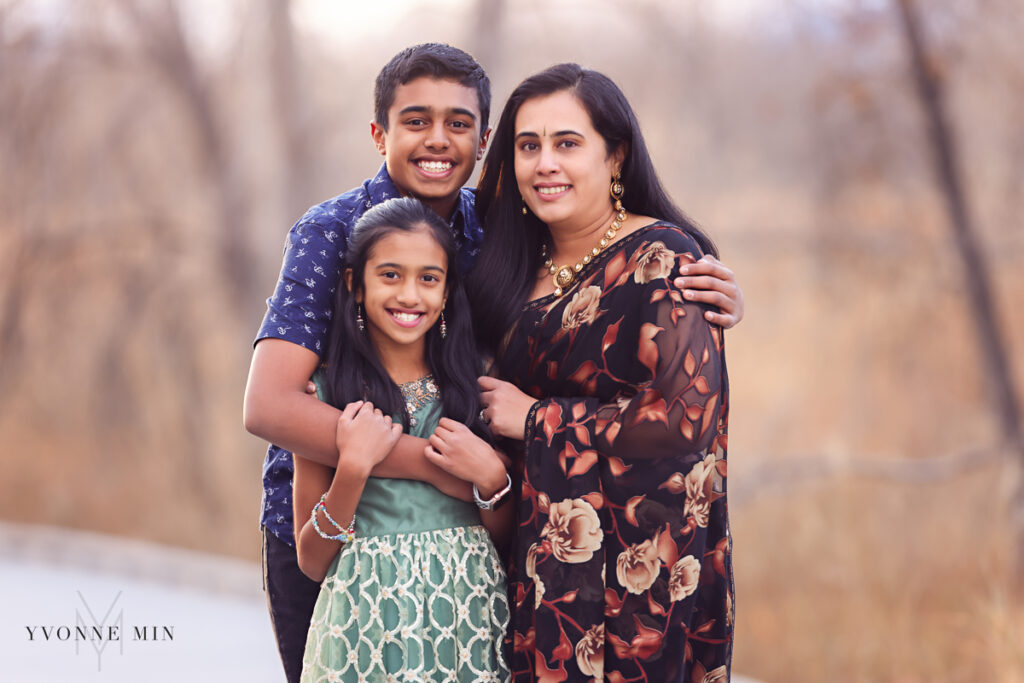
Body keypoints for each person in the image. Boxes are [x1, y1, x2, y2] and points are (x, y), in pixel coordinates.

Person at [243, 43, 744, 682]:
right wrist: (445, 472)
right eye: (416, 120)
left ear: (483, 143)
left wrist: (715, 299)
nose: (437, 140)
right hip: (340, 539)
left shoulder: (499, 230)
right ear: (379, 133)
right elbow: (270, 405)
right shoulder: (334, 231)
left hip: (477, 547)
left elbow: (609, 305)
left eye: (458, 123)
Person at [468, 63, 734, 681]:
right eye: (527, 145)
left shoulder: (663, 257)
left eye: (567, 143)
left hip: (640, 576)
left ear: (615, 156)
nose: (544, 164)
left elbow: (685, 418)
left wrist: (536, 419)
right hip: (540, 563)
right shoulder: (508, 264)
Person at [292, 197, 511, 681]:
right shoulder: (324, 395)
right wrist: (352, 468)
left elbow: (511, 537)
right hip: (365, 622)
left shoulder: (477, 385)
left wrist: (493, 478)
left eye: (428, 279)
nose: (410, 295)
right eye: (390, 275)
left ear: (449, 290)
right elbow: (309, 560)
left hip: (467, 616)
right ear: (355, 283)